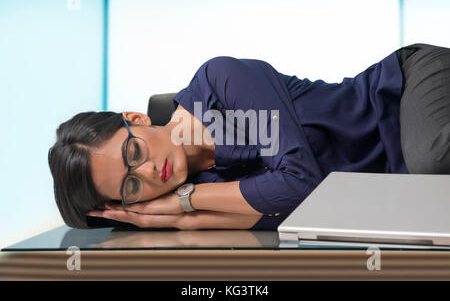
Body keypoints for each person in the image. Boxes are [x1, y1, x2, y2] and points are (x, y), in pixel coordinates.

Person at [48, 43, 450, 231]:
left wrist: (183, 203)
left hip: (401, 95)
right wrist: (181, 219)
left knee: (434, 161)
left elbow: (301, 184)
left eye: (133, 152)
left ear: (136, 118)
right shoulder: (207, 185)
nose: (151, 171)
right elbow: (299, 215)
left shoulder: (220, 82)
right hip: (402, 180)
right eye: (132, 185)